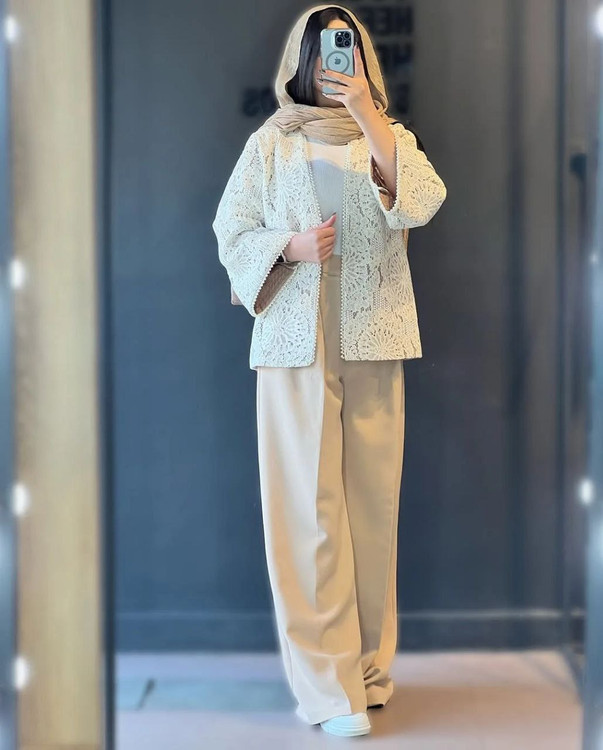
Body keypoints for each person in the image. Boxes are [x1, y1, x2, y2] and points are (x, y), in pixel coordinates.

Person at [212, 3, 447, 737]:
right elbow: (230, 230)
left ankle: (366, 672)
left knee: (371, 513)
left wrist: (370, 117)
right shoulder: (271, 142)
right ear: (302, 60)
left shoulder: (386, 135)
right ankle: (327, 687)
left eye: (344, 49)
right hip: (294, 342)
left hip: (373, 334)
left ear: (362, 58)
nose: (331, 63)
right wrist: (288, 247)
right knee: (306, 515)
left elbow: (422, 201)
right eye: (320, 51)